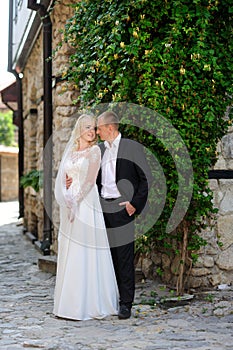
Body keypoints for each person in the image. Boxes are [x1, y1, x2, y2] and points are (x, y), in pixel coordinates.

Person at [53, 114, 119, 321]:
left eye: (94, 128)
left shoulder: (94, 152)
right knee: (71, 250)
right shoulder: (71, 152)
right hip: (70, 205)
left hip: (87, 206)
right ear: (79, 129)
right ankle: (69, 304)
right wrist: (67, 198)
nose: (91, 131)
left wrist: (76, 202)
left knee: (86, 250)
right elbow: (64, 179)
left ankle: (90, 303)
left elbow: (90, 181)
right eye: (88, 127)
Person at [96, 111, 151, 320]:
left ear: (110, 128)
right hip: (101, 209)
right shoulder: (99, 150)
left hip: (122, 208)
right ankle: (109, 300)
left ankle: (126, 304)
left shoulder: (131, 148)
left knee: (124, 258)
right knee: (106, 258)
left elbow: (145, 179)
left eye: (100, 128)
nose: (97, 132)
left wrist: (134, 205)